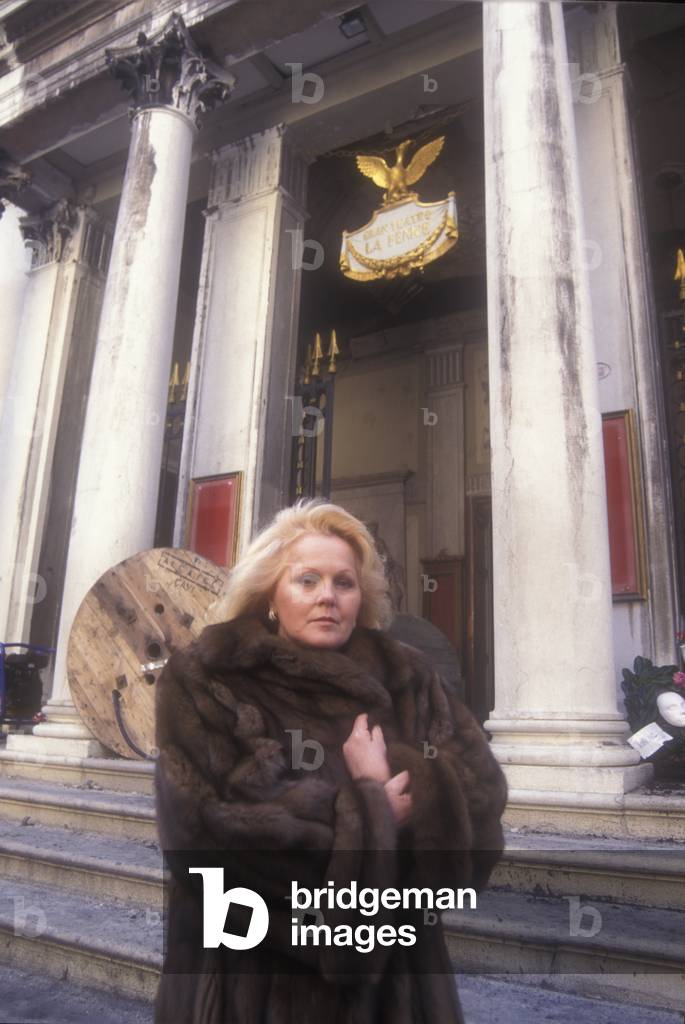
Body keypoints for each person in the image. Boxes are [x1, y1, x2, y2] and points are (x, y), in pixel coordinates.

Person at [154, 498, 508, 1024]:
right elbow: (205, 837)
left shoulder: (406, 674)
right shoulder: (210, 678)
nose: (328, 598)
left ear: (361, 596)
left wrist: (413, 791)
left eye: (344, 582)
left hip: (396, 984)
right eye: (308, 581)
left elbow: (480, 804)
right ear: (271, 593)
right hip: (254, 979)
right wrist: (371, 809)